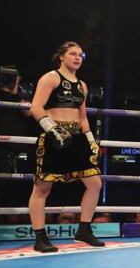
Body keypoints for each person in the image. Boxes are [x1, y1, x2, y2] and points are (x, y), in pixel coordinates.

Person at [27, 41, 105, 252]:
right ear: (61, 56)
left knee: (95, 183)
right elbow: (35, 107)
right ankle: (40, 238)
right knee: (42, 188)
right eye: (73, 54)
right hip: (53, 136)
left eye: (81, 54)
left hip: (77, 138)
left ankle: (84, 230)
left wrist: (91, 141)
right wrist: (53, 130)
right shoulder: (51, 77)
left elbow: (83, 116)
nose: (78, 57)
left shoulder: (82, 86)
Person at [0, 65, 32, 215]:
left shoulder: (19, 98)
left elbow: (28, 112)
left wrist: (15, 88)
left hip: (10, 151)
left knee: (1, 187)